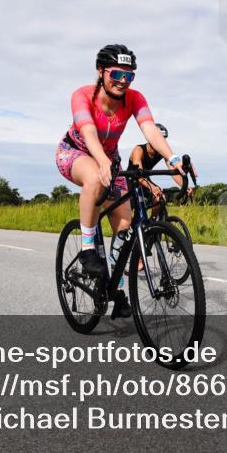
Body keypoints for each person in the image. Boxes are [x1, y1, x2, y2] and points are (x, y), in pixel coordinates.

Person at [55, 44, 188, 319]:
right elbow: (88, 131)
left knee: (125, 225)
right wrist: (101, 161)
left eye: (129, 76)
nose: (122, 82)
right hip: (76, 152)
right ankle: (88, 251)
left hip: (109, 159)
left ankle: (111, 287)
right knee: (93, 176)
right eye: (117, 74)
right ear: (101, 72)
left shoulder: (134, 98)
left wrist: (172, 158)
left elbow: (149, 129)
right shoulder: (82, 95)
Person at [127, 123, 188, 217]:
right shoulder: (138, 150)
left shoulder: (161, 152)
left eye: (163, 140)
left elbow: (173, 171)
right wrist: (153, 187)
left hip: (145, 179)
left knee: (160, 198)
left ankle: (153, 226)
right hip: (131, 181)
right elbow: (137, 174)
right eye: (158, 139)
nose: (161, 142)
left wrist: (185, 186)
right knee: (129, 209)